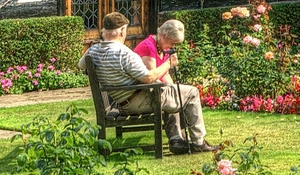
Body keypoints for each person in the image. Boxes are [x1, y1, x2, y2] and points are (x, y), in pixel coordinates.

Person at [81, 12, 215, 153]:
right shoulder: (124, 54)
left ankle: (177, 140)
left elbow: (81, 65)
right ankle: (199, 142)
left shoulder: (92, 51)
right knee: (192, 92)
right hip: (137, 101)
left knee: (173, 92)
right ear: (121, 31)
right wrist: (169, 63)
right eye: (125, 30)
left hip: (121, 101)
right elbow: (149, 78)